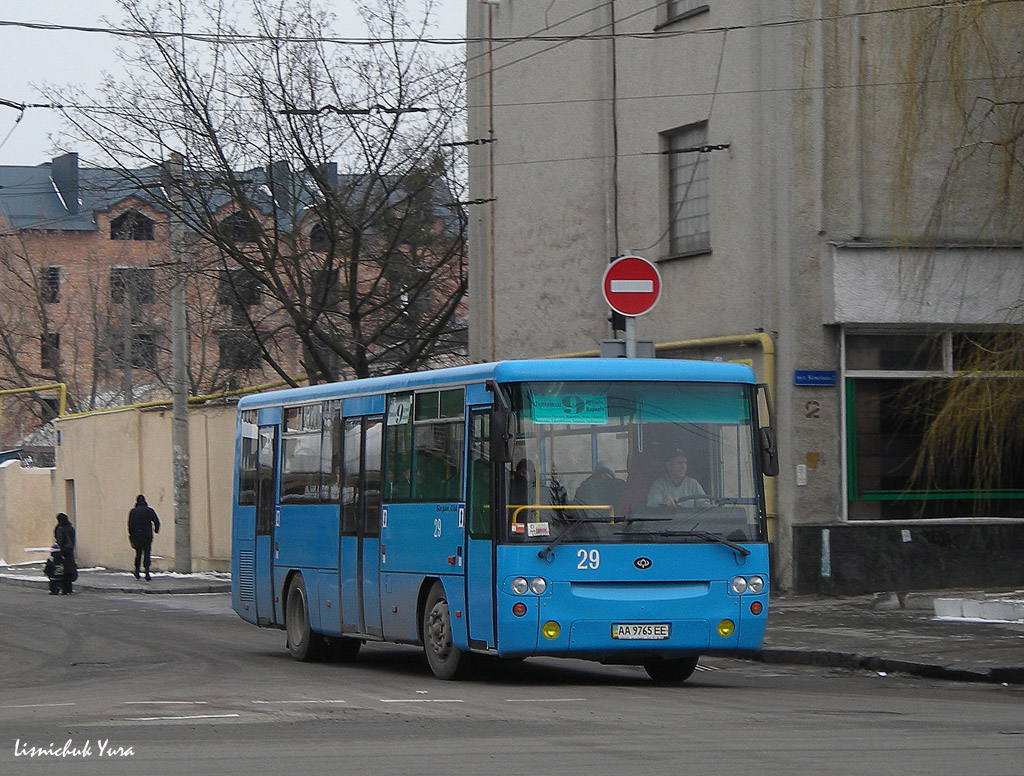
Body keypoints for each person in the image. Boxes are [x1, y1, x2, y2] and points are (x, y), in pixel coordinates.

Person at [128, 494, 160, 581]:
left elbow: (130, 525)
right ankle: (147, 572)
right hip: (147, 536)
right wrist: (156, 530)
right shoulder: (149, 511)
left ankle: (137, 571)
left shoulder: (133, 512)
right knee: (147, 553)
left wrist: (131, 534)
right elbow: (156, 521)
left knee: (138, 554)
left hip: (137, 536)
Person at [53, 513, 76, 594]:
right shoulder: (71, 528)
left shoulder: (60, 528)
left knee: (61, 570)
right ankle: (68, 588)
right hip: (70, 550)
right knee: (69, 570)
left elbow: (60, 540)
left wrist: (58, 549)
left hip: (62, 551)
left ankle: (61, 588)